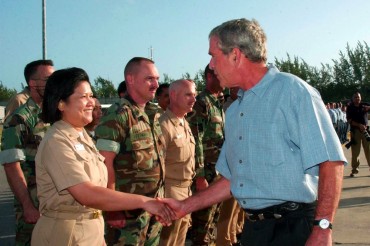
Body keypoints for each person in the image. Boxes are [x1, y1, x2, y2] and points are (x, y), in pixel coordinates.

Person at [161, 18, 346, 246]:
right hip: (255, 231)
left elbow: (331, 162)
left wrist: (323, 227)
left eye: (213, 55)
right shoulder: (236, 109)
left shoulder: (292, 92)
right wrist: (184, 206)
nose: (210, 65)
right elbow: (232, 179)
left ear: (236, 55)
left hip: (294, 229)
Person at [31, 67, 173, 246]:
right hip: (66, 234)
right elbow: (86, 193)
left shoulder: (83, 136)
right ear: (61, 103)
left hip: (90, 230)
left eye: (91, 95)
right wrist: (145, 202)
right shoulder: (57, 141)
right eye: (83, 97)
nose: (91, 102)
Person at [95, 57, 166, 246]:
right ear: (131, 79)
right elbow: (104, 163)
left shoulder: (152, 113)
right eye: (149, 79)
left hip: (152, 207)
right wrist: (112, 208)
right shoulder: (118, 114)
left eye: (157, 79)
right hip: (126, 213)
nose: (156, 84)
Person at [0, 59, 54, 246]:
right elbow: (11, 166)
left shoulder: (56, 115)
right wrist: (27, 206)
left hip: (56, 205)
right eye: (47, 79)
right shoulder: (19, 119)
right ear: (33, 84)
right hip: (34, 203)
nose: (52, 84)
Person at [186, 64, 225, 246]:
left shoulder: (218, 101)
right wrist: (200, 175)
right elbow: (196, 139)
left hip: (218, 170)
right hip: (206, 172)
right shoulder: (201, 102)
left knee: (213, 221)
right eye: (219, 74)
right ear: (209, 77)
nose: (224, 77)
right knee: (202, 224)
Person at [158, 79, 196, 246]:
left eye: (194, 94)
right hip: (170, 193)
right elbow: (157, 167)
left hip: (186, 192)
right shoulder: (164, 125)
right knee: (167, 241)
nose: (193, 99)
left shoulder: (184, 122)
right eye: (188, 94)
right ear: (173, 95)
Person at [217, 86, 245, 246]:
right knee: (227, 208)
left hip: (234, 162)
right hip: (223, 164)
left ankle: (233, 234)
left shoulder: (241, 104)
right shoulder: (229, 107)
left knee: (236, 206)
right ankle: (225, 239)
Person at [346, 92, 370, 177]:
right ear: (353, 99)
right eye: (355, 97)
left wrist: (368, 108)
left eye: (358, 97)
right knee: (355, 152)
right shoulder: (350, 107)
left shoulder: (364, 105)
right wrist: (358, 125)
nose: (357, 99)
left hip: (365, 131)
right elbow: (349, 120)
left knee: (369, 150)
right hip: (355, 131)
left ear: (361, 98)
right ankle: (354, 170)